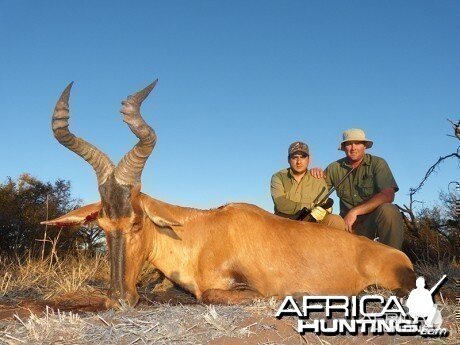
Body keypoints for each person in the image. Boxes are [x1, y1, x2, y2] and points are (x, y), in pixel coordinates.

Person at [311, 128, 404, 249]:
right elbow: (316, 193)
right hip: (346, 225)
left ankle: (394, 262)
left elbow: (388, 194)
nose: (353, 147)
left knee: (389, 210)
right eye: (349, 144)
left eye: (358, 143)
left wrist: (355, 212)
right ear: (344, 147)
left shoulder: (378, 163)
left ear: (365, 146)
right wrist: (313, 175)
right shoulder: (334, 167)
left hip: (371, 222)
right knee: (332, 219)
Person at [270, 141, 346, 231]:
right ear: (288, 159)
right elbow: (280, 204)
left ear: (309, 159)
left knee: (335, 221)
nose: (299, 162)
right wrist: (310, 206)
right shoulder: (278, 177)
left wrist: (324, 211)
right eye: (295, 157)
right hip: (285, 222)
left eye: (303, 157)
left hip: (311, 224)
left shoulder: (318, 178)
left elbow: (324, 207)